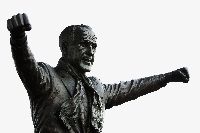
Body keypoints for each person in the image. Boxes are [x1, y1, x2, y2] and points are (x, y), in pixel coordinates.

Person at [7, 13, 189, 133]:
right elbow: (26, 64)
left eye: (94, 46)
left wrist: (166, 77)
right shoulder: (47, 78)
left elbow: (131, 87)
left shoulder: (96, 89)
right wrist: (19, 39)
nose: (91, 52)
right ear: (64, 47)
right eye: (84, 44)